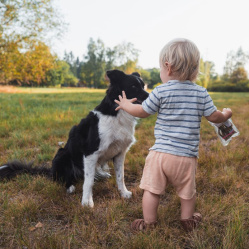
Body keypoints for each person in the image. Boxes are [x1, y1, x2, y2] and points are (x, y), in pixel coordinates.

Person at [114, 38, 232, 232]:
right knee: (187, 193)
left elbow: (143, 111)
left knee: (152, 190)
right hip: (186, 157)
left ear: (167, 67)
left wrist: (127, 105)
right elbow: (215, 117)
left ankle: (149, 222)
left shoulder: (160, 91)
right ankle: (187, 220)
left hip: (160, 155)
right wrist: (227, 114)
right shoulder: (201, 93)